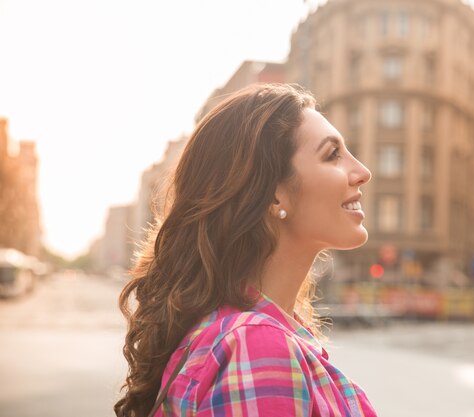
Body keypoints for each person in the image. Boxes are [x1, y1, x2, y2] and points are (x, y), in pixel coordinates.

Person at [115, 83, 378, 417]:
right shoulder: (259, 345)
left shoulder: (238, 330)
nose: (362, 172)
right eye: (332, 155)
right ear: (273, 194)